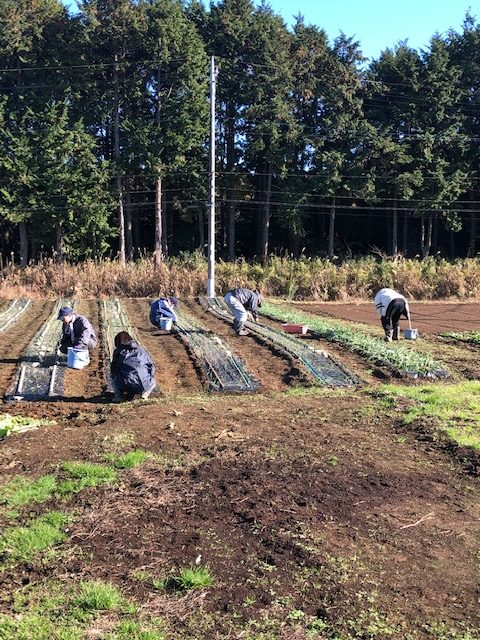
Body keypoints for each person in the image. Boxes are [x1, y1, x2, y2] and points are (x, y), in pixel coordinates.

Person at [110, 331, 156, 401]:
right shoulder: (141, 349)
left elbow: (113, 368)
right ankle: (145, 394)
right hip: (142, 385)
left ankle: (118, 396)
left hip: (124, 385)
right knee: (153, 380)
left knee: (112, 374)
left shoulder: (118, 351)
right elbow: (152, 366)